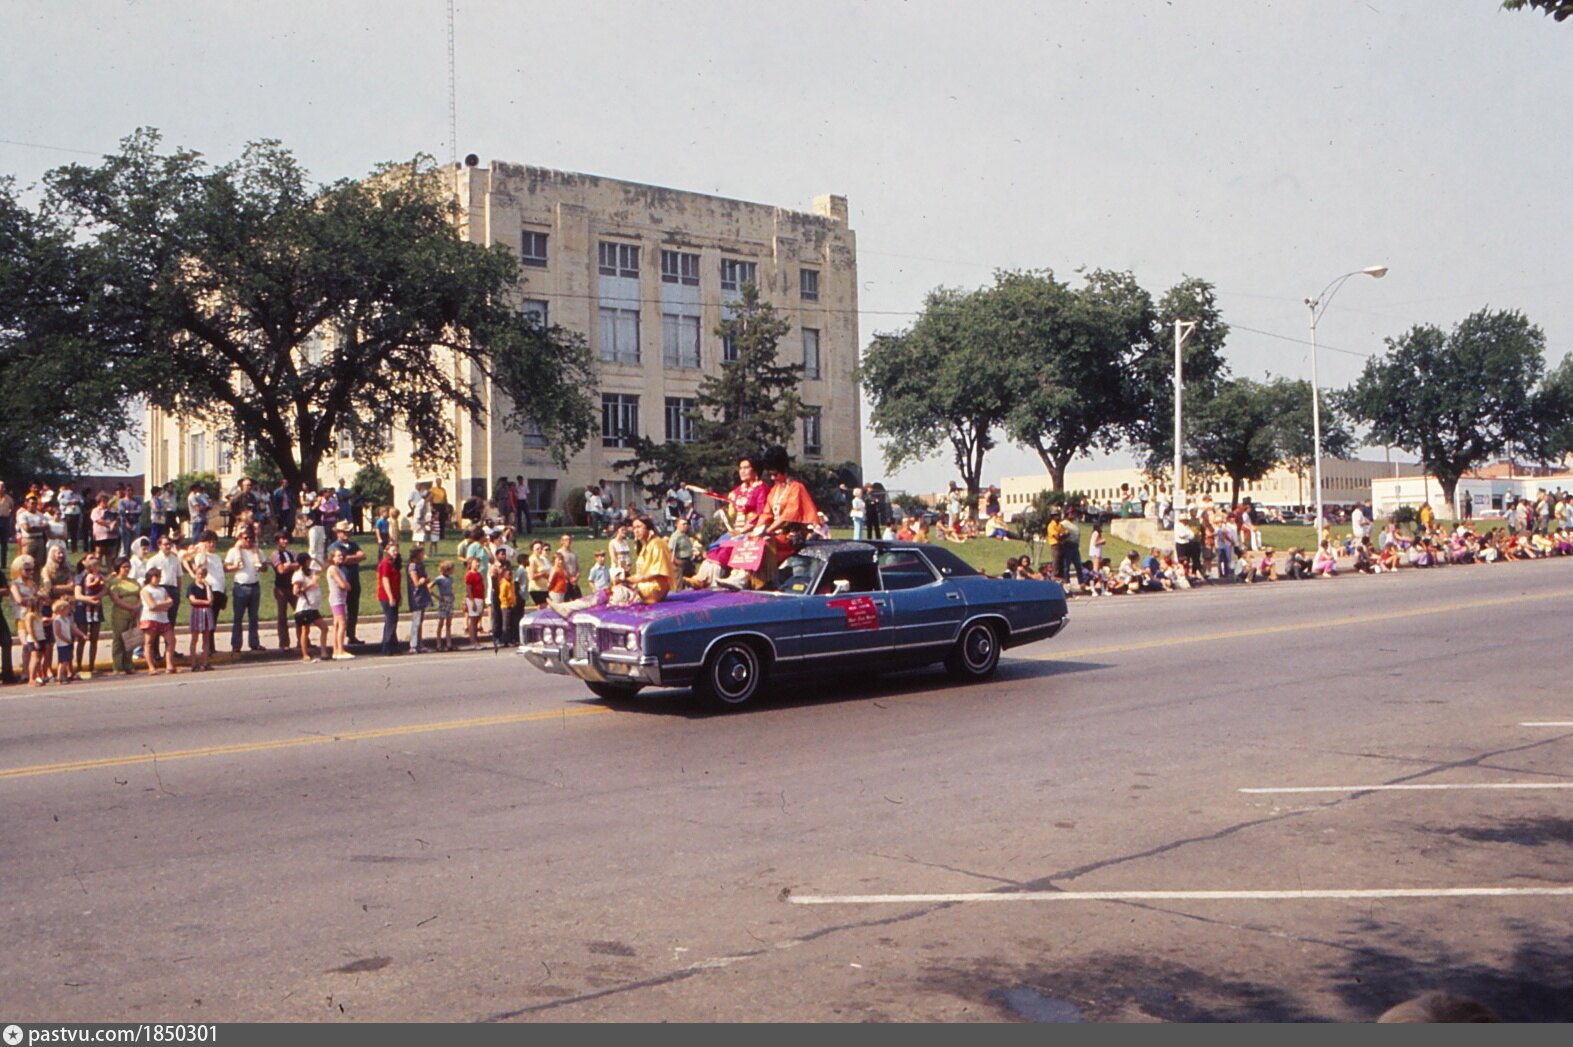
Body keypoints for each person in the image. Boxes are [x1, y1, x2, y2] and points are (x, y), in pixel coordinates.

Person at [225, 528, 266, 652]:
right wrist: (235, 566)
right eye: (245, 538)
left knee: (253, 617)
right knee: (238, 617)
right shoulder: (234, 552)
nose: (248, 540)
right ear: (240, 539)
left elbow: (265, 567)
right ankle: (236, 645)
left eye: (251, 538)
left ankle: (254, 643)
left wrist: (261, 567)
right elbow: (226, 567)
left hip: (254, 586)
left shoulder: (257, 551)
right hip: (240, 587)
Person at [326, 519, 366, 646]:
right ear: (338, 533)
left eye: (347, 531)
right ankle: (340, 639)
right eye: (344, 532)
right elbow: (343, 560)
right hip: (342, 581)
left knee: (354, 608)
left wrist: (351, 558)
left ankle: (351, 634)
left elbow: (362, 556)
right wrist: (353, 558)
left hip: (354, 579)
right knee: (342, 610)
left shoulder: (353, 545)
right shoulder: (334, 546)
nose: (347, 534)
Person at [138, 567, 177, 674]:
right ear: (150, 577)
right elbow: (151, 606)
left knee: (171, 641)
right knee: (149, 643)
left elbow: (171, 601)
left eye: (159, 576)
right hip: (150, 618)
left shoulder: (162, 589)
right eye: (156, 576)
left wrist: (160, 605)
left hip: (163, 618)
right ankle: (151, 667)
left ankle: (169, 665)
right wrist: (163, 605)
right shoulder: (145, 590)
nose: (158, 579)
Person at [73, 554, 106, 677]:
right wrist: (90, 599)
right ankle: (79, 666)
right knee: (82, 638)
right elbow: (78, 595)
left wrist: (98, 597)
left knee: (94, 638)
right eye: (90, 558)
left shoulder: (99, 575)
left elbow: (105, 589)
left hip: (96, 609)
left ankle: (92, 665)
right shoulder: (80, 577)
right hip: (83, 608)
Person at [292, 551, 330, 661]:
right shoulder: (298, 575)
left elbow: (323, 568)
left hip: (313, 607)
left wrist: (316, 559)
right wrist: (310, 585)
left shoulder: (312, 572)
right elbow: (296, 592)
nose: (310, 562)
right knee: (305, 630)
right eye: (308, 560)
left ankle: (323, 651)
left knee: (324, 628)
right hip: (304, 607)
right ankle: (305, 653)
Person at [326, 546, 356, 660]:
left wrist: (346, 585)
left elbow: (345, 585)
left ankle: (336, 649)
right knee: (342, 623)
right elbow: (344, 585)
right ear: (332, 557)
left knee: (337, 625)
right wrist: (346, 585)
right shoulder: (333, 569)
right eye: (338, 555)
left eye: (341, 555)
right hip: (337, 599)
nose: (341, 557)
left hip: (340, 599)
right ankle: (340, 650)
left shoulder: (338, 569)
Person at [186, 560, 216, 671]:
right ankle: (193, 663)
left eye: (203, 574)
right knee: (195, 638)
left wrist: (207, 587)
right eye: (198, 574)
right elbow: (193, 600)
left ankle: (205, 662)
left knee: (206, 638)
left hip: (207, 612)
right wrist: (205, 602)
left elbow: (211, 599)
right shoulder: (192, 587)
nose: (200, 576)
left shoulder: (207, 586)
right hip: (197, 611)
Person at [376, 543, 403, 656]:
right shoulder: (385, 564)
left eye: (396, 550)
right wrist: (391, 596)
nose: (395, 552)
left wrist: (399, 596)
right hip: (386, 596)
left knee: (392, 620)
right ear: (387, 551)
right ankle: (387, 646)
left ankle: (393, 644)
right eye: (393, 550)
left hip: (395, 595)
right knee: (391, 620)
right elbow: (385, 580)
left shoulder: (393, 564)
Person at [407, 545, 432, 654]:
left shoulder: (421, 565)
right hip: (416, 596)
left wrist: (426, 579)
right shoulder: (413, 566)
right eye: (422, 553)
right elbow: (416, 582)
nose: (423, 555)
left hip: (423, 595)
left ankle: (420, 643)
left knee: (420, 620)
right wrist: (423, 580)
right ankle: (413, 644)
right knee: (416, 620)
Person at [432, 560, 456, 652]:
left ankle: (448, 643)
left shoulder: (451, 579)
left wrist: (453, 594)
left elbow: (451, 588)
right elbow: (429, 587)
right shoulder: (439, 579)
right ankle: (438, 643)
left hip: (450, 600)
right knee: (441, 622)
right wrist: (437, 597)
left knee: (449, 623)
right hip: (443, 600)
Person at [463, 556, 485, 648]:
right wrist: (472, 602)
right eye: (476, 562)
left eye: (479, 562)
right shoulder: (469, 575)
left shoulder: (479, 574)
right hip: (474, 599)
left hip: (480, 598)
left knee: (476, 620)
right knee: (473, 620)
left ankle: (476, 639)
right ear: (470, 564)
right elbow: (469, 589)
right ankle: (473, 641)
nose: (478, 564)